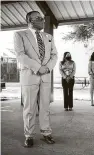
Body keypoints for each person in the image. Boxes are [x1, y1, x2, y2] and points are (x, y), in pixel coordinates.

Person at [14, 11, 57, 147]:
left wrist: (47, 68)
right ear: (29, 20)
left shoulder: (48, 36)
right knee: (29, 108)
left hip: (45, 76)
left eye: (42, 18)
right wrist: (38, 67)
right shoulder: (20, 35)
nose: (42, 21)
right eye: (38, 18)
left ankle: (46, 132)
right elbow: (20, 55)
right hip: (29, 76)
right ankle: (29, 135)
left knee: (45, 107)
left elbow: (54, 55)